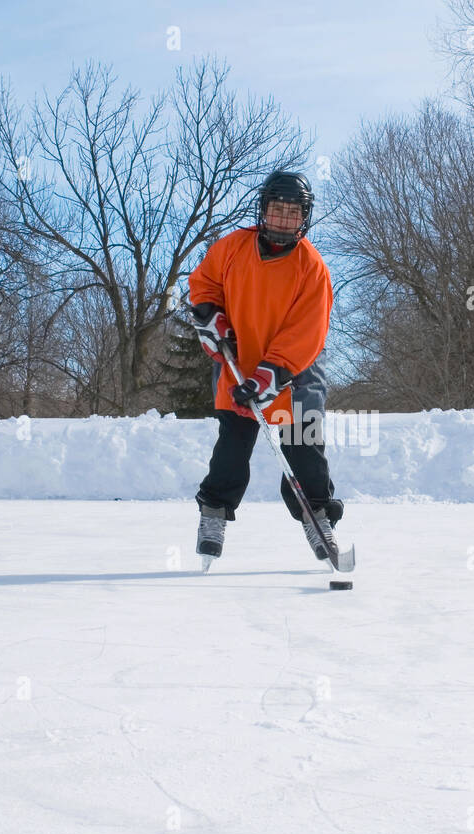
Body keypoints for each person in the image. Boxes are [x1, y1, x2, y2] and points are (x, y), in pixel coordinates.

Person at [188, 170, 343, 562]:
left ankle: (317, 515)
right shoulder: (232, 248)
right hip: (240, 361)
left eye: (293, 213)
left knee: (304, 445)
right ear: (263, 211)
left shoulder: (312, 268)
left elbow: (306, 333)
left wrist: (272, 374)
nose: (285, 220)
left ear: (304, 218)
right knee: (232, 444)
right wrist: (210, 316)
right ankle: (214, 513)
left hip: (296, 369)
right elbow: (205, 284)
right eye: (278, 210)